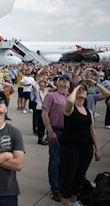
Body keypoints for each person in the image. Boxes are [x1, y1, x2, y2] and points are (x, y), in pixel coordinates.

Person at [60, 84, 101, 206]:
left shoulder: (88, 111)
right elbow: (69, 101)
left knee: (79, 177)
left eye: (84, 90)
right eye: (79, 90)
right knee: (69, 176)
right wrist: (78, 87)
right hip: (70, 148)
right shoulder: (70, 109)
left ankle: (74, 201)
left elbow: (92, 131)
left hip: (86, 149)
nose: (82, 91)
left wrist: (97, 149)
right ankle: (66, 203)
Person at [42, 74, 70, 202]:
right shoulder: (51, 96)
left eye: (67, 81)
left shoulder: (71, 97)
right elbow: (45, 114)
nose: (65, 83)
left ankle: (63, 185)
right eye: (62, 81)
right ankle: (55, 189)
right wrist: (50, 131)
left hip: (69, 133)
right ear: (57, 83)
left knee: (67, 161)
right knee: (55, 160)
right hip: (56, 131)